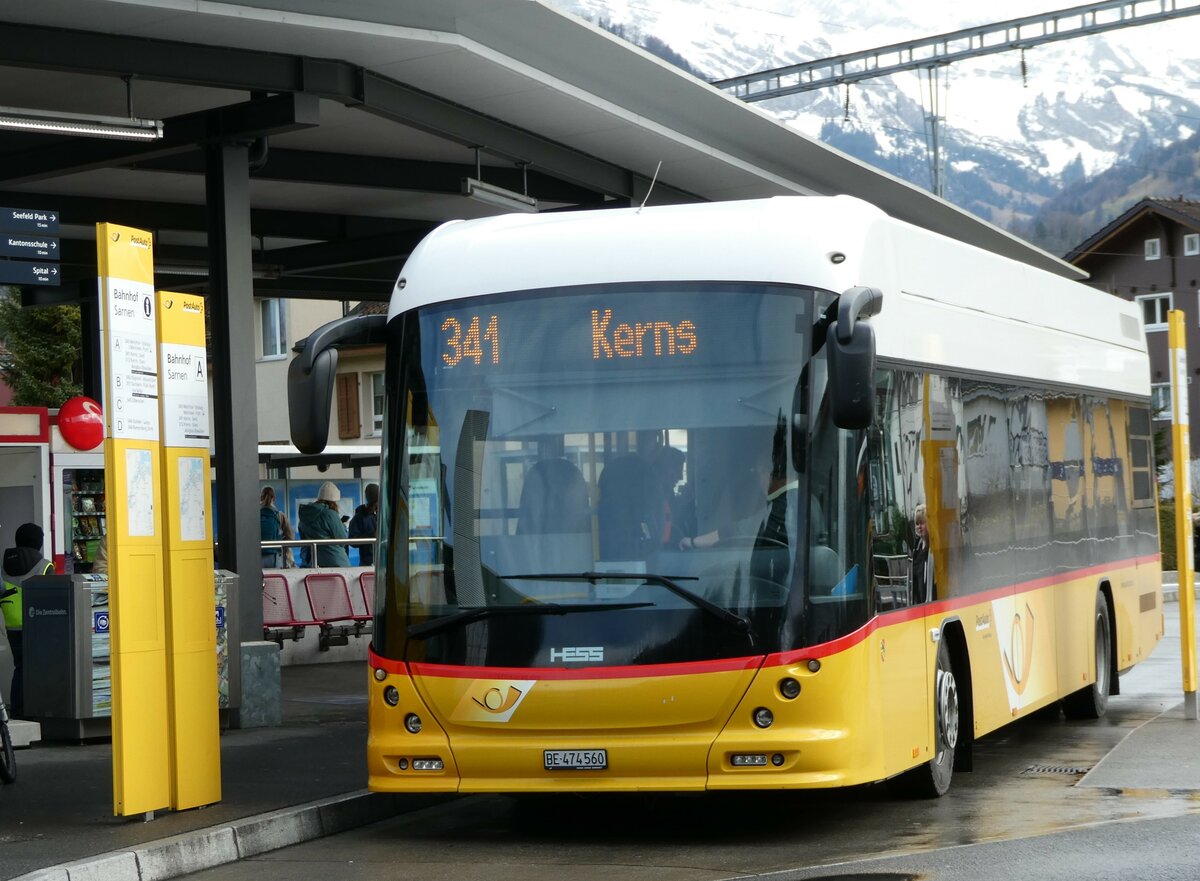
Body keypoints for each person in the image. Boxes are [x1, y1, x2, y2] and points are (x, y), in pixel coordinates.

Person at [2, 523, 53, 718]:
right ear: (39, 542)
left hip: (11, 624)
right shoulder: (44, 565)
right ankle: (39, 712)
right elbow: (52, 597)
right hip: (38, 623)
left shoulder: (4, 564)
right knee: (41, 668)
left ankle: (18, 712)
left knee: (20, 668)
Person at [298, 481, 350, 568]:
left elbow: (304, 538)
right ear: (333, 501)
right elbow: (342, 539)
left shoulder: (304, 514)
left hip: (311, 562)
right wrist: (344, 526)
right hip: (335, 561)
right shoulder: (329, 514)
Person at [260, 486, 295, 569]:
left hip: (257, 556)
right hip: (275, 556)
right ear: (274, 498)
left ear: (261, 497)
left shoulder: (254, 515)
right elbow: (290, 537)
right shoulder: (279, 515)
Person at [348, 483, 380, 567]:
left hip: (385, 561)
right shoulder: (359, 517)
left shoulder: (384, 515)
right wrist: (371, 536)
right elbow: (352, 541)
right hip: (368, 563)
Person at [910, 503, 934, 604]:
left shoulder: (933, 548)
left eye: (922, 523)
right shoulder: (917, 548)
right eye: (917, 523)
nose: (919, 527)